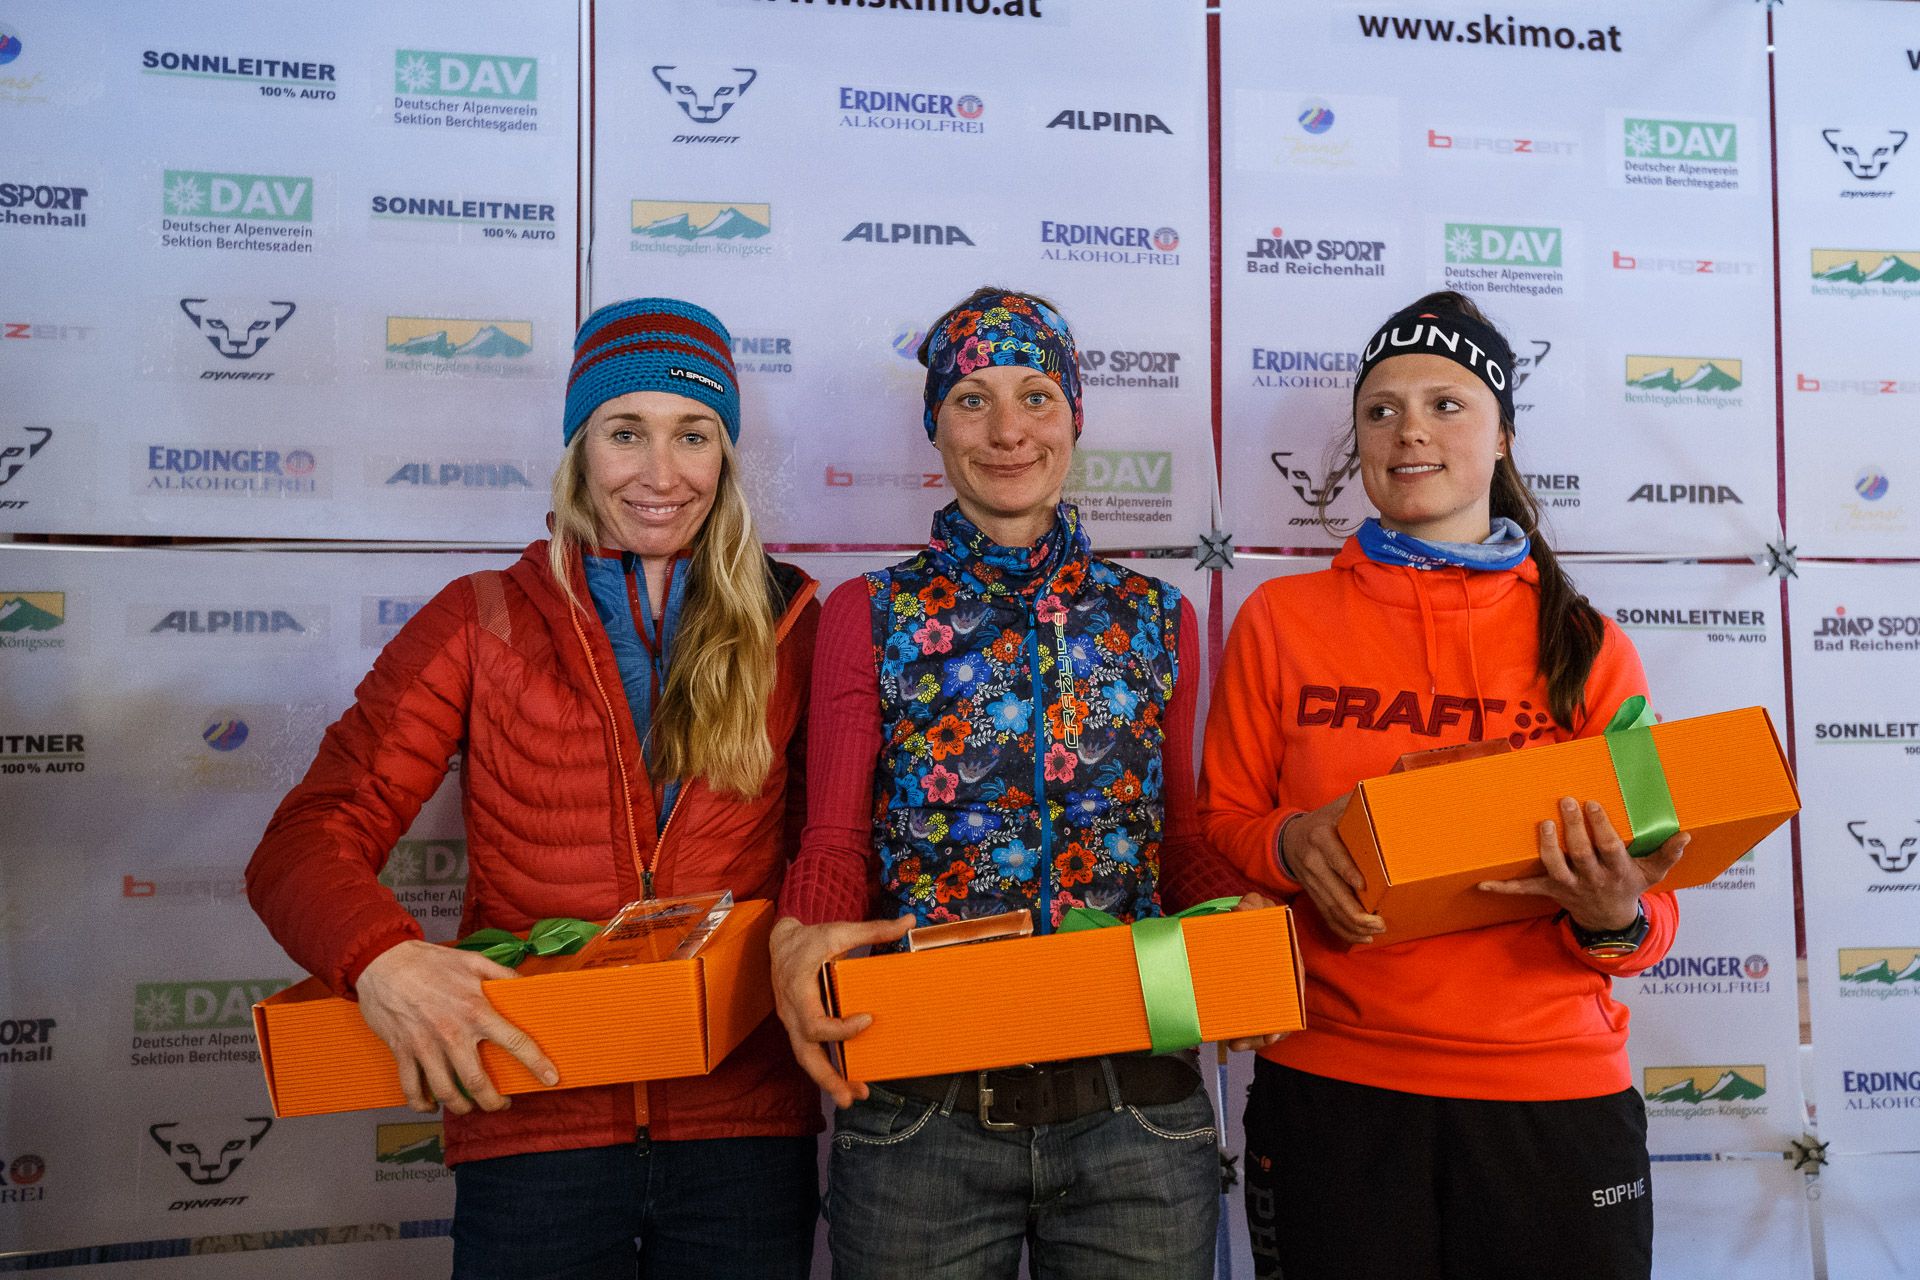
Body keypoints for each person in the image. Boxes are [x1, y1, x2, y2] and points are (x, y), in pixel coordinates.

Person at [247, 298, 824, 1280]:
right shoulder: (481, 621)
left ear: (725, 454)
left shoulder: (797, 622)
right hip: (533, 1122)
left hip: (743, 1131)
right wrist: (384, 959)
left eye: (693, 433)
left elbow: (840, 858)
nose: (659, 472)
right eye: (625, 431)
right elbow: (305, 839)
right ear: (577, 447)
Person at [770, 287, 1265, 1280]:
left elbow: (1180, 837)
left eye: (1037, 396)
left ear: (1075, 417)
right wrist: (802, 927)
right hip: (922, 1105)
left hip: (1140, 1102)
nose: (1007, 431)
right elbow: (832, 837)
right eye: (972, 399)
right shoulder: (871, 610)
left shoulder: (1157, 617)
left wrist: (1226, 909)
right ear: (934, 425)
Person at [1199, 291, 1688, 1280]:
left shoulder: (1588, 645)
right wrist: (1294, 841)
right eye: (1380, 410)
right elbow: (1219, 830)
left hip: (1552, 1094)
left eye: (1445, 403)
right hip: (1333, 1086)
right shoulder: (1280, 619)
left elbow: (1654, 903)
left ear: (1504, 432)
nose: (1409, 428)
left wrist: (1611, 914)